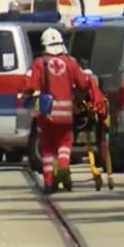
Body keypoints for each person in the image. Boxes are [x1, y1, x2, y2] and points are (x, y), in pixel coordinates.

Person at [23, 28, 105, 194]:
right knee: (64, 143)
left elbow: (29, 86)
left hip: (46, 113)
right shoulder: (71, 62)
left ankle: (49, 182)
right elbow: (83, 83)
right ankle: (63, 167)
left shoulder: (39, 63)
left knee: (47, 148)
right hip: (66, 113)